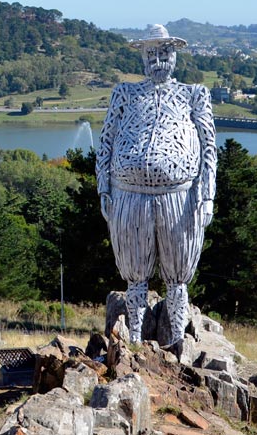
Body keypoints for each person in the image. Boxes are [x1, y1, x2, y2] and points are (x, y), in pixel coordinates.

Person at [96, 24, 216, 347]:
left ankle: (177, 339)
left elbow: (208, 148)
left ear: (174, 54)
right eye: (151, 53)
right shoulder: (125, 94)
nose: (157, 60)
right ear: (143, 57)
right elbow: (105, 141)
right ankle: (135, 339)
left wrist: (207, 195)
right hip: (129, 196)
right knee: (135, 275)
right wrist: (103, 187)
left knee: (177, 277)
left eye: (163, 52)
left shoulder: (194, 95)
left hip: (179, 197)